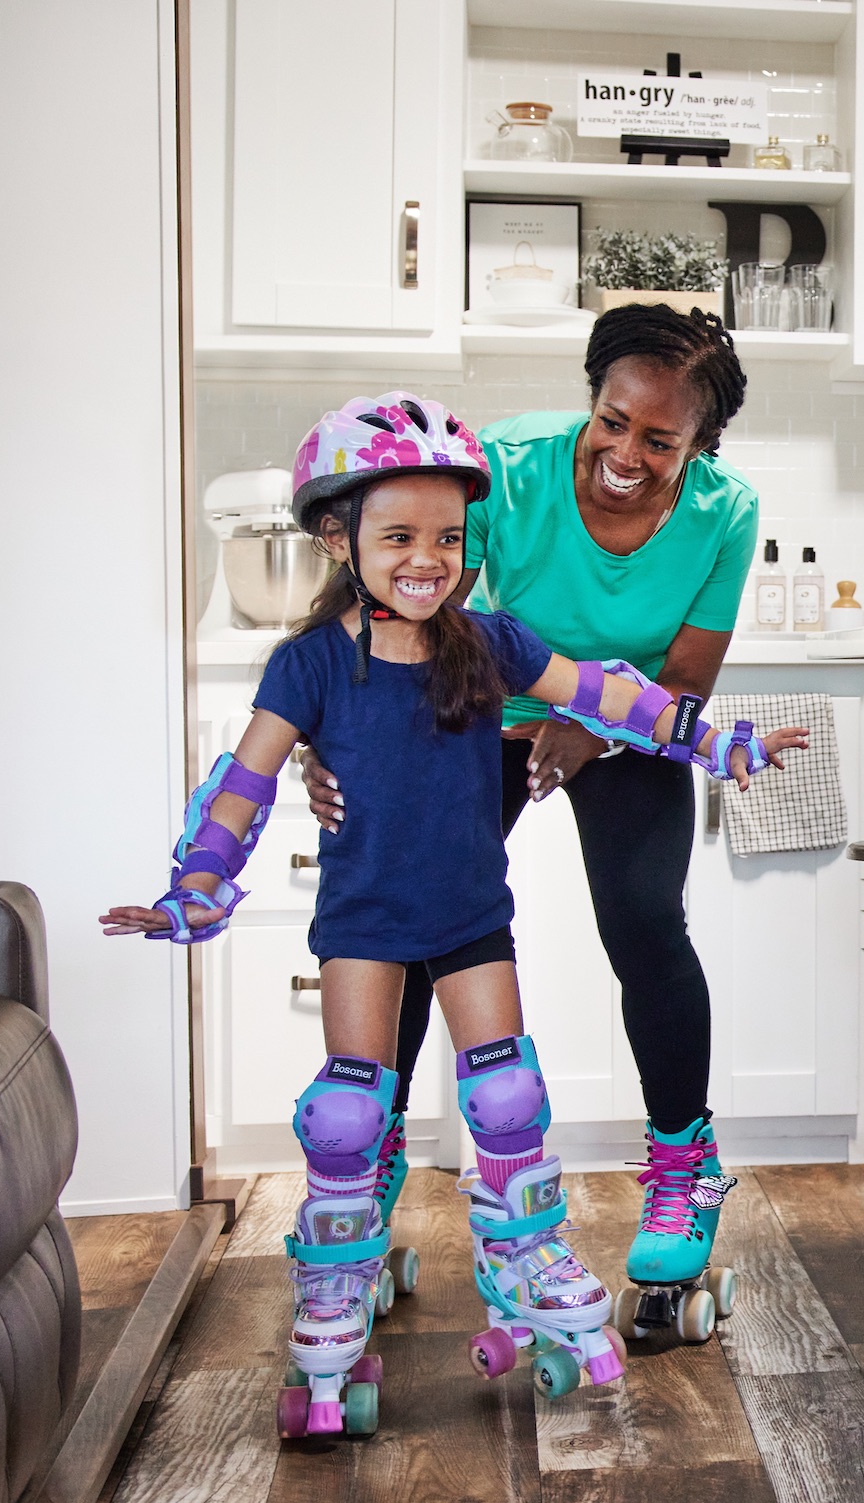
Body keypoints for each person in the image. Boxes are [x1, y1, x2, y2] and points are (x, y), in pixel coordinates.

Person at [109, 394, 802, 1432]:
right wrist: (196, 886)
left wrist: (719, 743)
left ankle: (525, 1257)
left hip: (473, 917)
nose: (427, 559)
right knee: (349, 1112)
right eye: (398, 537)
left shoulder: (488, 643)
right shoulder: (309, 662)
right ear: (339, 539)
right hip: (363, 926)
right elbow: (244, 782)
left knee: (509, 1099)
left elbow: (612, 697)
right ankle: (334, 1284)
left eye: (446, 537)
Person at [307, 306, 762, 1310]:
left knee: (645, 920)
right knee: (413, 916)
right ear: (590, 403)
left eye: (660, 441)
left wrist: (592, 731)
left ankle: (685, 1168)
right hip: (488, 702)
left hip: (629, 720)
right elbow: (410, 608)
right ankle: (369, 1158)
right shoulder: (508, 468)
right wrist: (334, 732)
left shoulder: (724, 514)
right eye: (612, 422)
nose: (625, 456)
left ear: (700, 445)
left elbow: (686, 684)